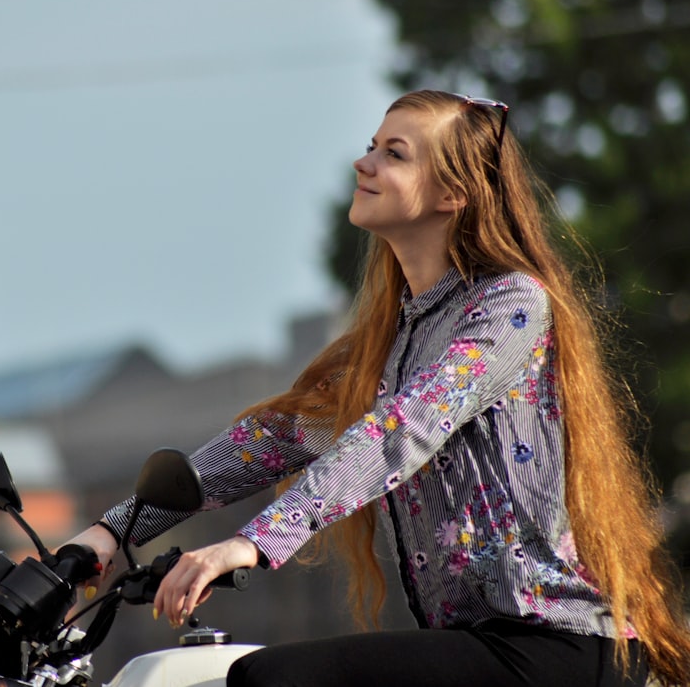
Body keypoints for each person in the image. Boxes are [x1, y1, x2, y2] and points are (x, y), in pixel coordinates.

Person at [69, 89, 690, 687]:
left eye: (394, 153)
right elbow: (269, 444)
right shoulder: (388, 343)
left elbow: (404, 427)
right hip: (480, 646)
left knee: (269, 677)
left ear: (454, 193)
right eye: (373, 145)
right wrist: (109, 535)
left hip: (556, 644)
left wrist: (252, 544)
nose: (363, 162)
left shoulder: (511, 306)